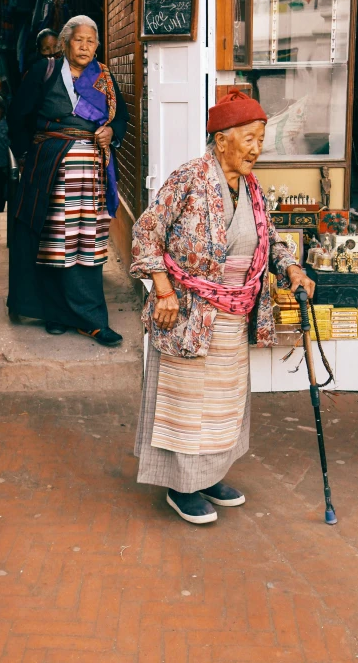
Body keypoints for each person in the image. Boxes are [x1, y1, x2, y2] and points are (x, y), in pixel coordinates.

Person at [130, 89, 315, 525]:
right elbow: (146, 232)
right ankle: (181, 486)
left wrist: (291, 268)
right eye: (249, 137)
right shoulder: (190, 178)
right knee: (187, 403)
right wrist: (163, 291)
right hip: (188, 313)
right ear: (221, 140)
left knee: (222, 404)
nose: (257, 147)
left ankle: (208, 476)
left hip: (233, 316)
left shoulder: (252, 188)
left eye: (261, 137)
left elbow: (269, 239)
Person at [7, 15, 129, 346]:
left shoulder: (103, 76)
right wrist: (26, 157)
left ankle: (91, 319)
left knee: (85, 241)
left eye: (92, 41)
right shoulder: (43, 71)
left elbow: (122, 118)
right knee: (54, 240)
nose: (86, 46)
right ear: (65, 43)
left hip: (90, 170)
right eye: (79, 40)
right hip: (51, 168)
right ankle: (56, 313)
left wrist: (110, 131)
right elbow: (18, 116)